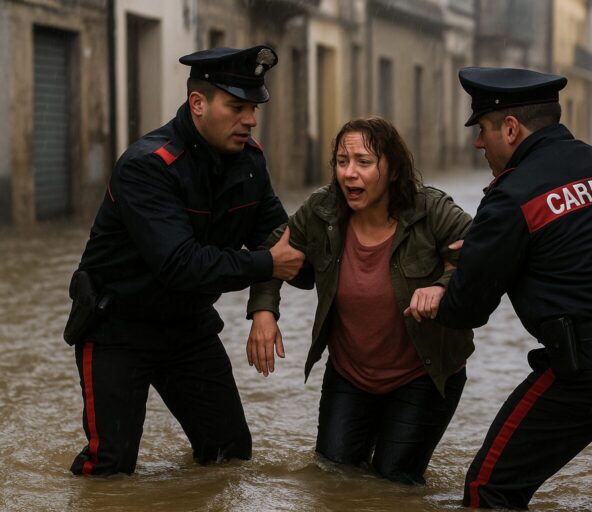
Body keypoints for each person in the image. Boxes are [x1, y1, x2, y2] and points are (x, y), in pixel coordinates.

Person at [425, 67, 592, 508]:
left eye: (484, 130)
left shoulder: (513, 193)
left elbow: (467, 308)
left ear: (511, 129)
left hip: (591, 367)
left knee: (488, 490)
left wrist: (452, 274)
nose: (478, 142)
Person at [63, 45, 305, 476]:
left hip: (187, 329)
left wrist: (364, 243)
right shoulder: (147, 166)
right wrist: (267, 266)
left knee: (229, 455)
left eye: (253, 108)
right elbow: (182, 264)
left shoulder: (249, 161)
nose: (249, 119)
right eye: (236, 107)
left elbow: (281, 242)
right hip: (118, 328)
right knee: (111, 468)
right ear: (198, 104)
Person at [246, 117, 475, 484]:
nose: (349, 173)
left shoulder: (430, 210)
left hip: (423, 374)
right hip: (350, 375)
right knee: (333, 477)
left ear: (394, 169)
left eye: (364, 163)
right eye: (341, 161)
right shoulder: (322, 210)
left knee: (393, 482)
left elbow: (483, 251)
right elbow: (272, 251)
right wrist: (263, 311)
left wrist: (443, 285)